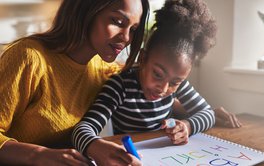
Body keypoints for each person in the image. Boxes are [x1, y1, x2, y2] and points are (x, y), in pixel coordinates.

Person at [0, 0, 150, 165]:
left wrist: (181, 124)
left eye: (133, 29)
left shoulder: (103, 70)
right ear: (86, 10)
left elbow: (156, 91)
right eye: (117, 22)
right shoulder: (29, 58)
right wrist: (39, 154)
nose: (127, 37)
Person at [72, 0, 217, 165]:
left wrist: (188, 126)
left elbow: (208, 114)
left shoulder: (179, 85)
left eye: (175, 82)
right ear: (143, 58)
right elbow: (82, 129)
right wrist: (94, 145)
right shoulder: (120, 86)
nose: (163, 88)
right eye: (157, 74)